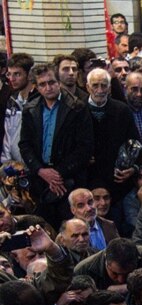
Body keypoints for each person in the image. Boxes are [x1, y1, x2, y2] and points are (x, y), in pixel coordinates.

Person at [19, 63, 94, 228]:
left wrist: (57, 174)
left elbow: (85, 147)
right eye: (42, 84)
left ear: (58, 82)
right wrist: (41, 171)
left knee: (72, 228)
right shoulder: (30, 109)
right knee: (45, 228)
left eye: (51, 82)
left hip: (69, 178)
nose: (48, 87)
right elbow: (25, 145)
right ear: (36, 87)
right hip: (40, 180)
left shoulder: (77, 107)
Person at [74, 237, 142, 294]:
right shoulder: (84, 270)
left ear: (138, 260)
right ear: (106, 260)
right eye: (115, 273)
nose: (121, 279)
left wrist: (129, 287)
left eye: (128, 273)